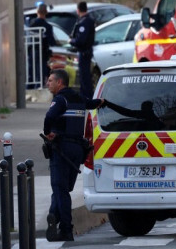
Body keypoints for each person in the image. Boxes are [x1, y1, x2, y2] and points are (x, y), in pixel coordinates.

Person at [43, 69, 102, 242]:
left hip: (62, 149)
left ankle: (66, 229)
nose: (48, 83)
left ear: (60, 83)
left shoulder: (60, 99)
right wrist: (101, 101)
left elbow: (49, 116)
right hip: (77, 150)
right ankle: (54, 214)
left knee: (60, 190)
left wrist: (48, 133)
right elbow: (91, 104)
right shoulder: (78, 98)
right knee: (62, 189)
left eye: (51, 81)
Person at [70, 1, 96, 98]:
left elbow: (81, 40)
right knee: (85, 76)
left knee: (84, 76)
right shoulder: (88, 20)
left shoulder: (84, 22)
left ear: (78, 10)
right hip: (87, 52)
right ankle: (87, 95)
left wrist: (71, 41)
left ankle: (86, 96)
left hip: (84, 52)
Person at [29, 3, 57, 85]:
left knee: (31, 72)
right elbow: (51, 42)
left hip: (31, 51)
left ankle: (30, 87)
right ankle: (39, 86)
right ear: (46, 13)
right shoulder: (47, 26)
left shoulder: (31, 24)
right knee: (41, 73)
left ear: (37, 12)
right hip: (42, 52)